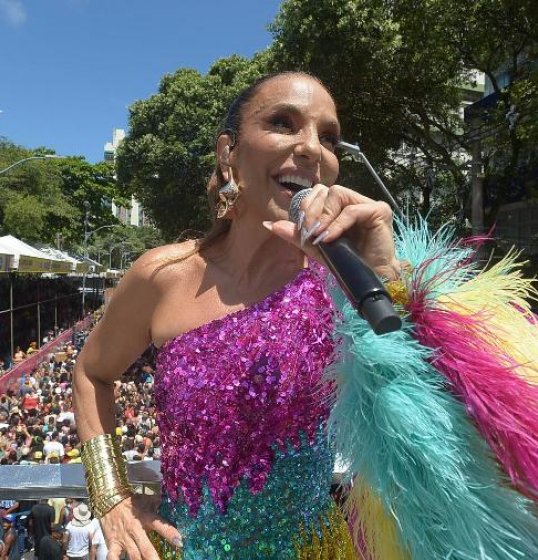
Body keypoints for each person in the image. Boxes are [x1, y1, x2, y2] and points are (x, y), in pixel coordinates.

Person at [73, 71, 400, 559]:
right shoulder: (164, 273)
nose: (313, 148)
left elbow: (433, 428)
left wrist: (386, 279)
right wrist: (110, 495)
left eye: (328, 137)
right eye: (284, 123)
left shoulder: (352, 282)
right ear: (228, 153)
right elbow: (91, 372)